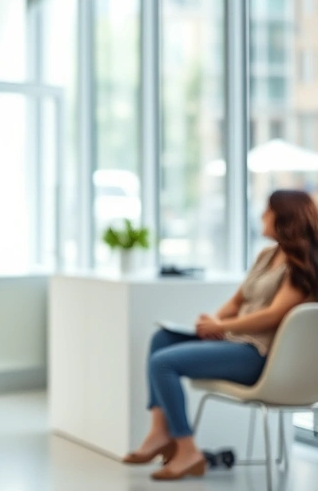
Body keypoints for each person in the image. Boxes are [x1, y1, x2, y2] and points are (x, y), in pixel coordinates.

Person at [124, 189, 318, 481]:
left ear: (284, 218)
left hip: (261, 356)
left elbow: (273, 315)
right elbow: (237, 301)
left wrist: (222, 328)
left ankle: (187, 450)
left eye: (268, 210)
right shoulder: (267, 255)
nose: (262, 216)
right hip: (237, 343)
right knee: (162, 339)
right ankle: (159, 432)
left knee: (163, 363)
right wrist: (213, 320)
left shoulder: (299, 266)